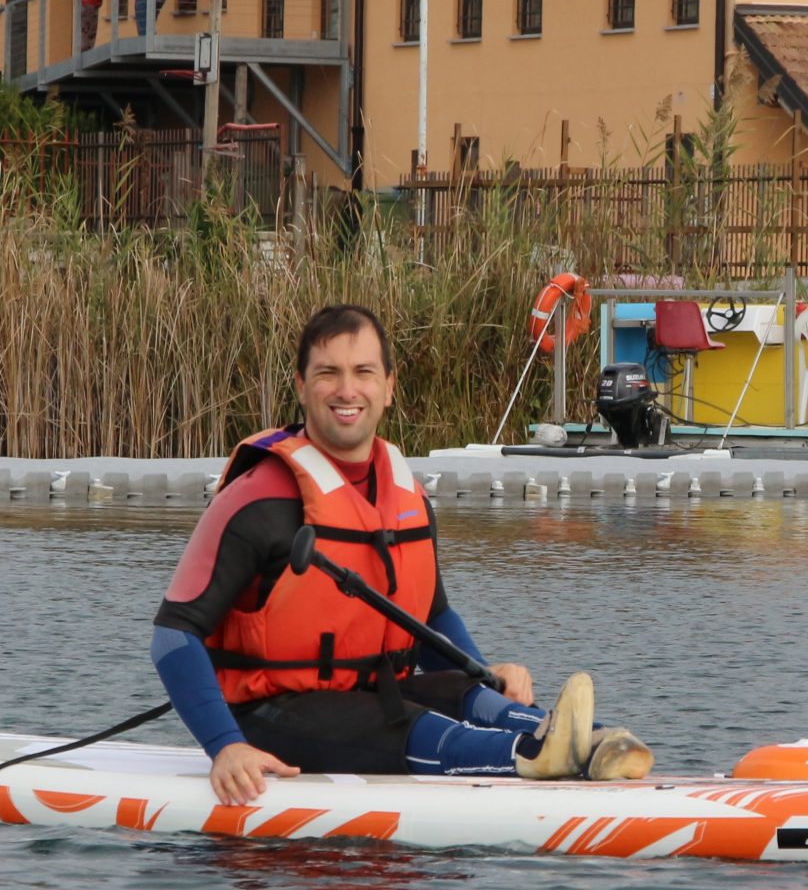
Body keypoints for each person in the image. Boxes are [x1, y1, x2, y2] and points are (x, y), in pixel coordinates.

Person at [150, 303, 655, 803]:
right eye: (328, 373)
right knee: (413, 723)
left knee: (467, 695)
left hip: (369, 698)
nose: (347, 390)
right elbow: (174, 635)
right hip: (269, 715)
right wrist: (225, 746)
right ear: (301, 387)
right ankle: (536, 755)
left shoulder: (407, 497)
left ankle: (586, 741)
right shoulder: (258, 499)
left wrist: (485, 674)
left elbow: (431, 618)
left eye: (363, 372)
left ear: (389, 387)